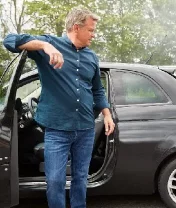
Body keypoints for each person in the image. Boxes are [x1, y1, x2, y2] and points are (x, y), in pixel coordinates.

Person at [3, 7, 115, 208]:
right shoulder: (50, 46)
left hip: (85, 129)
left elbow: (98, 90)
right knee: (55, 180)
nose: (93, 34)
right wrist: (45, 45)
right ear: (76, 27)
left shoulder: (91, 57)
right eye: (90, 30)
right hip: (57, 130)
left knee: (81, 178)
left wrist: (106, 114)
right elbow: (9, 41)